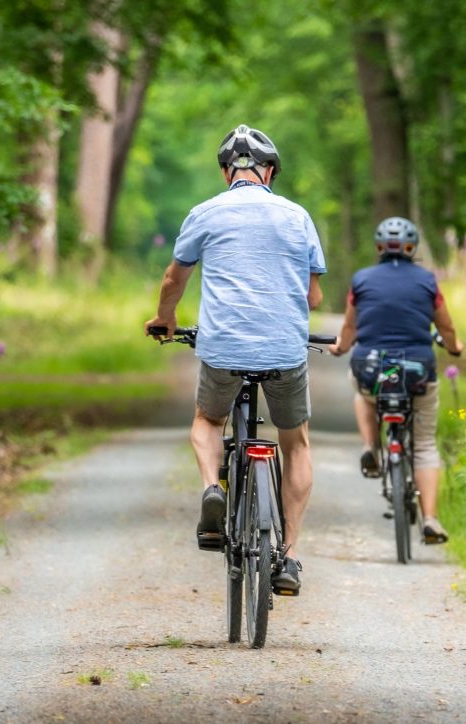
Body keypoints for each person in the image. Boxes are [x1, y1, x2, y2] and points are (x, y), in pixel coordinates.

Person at [145, 124, 326, 594]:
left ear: (227, 172)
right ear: (270, 172)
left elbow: (172, 280)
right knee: (297, 443)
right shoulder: (297, 216)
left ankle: (212, 489)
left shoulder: (205, 212)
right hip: (285, 349)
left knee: (208, 420)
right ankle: (289, 557)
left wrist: (166, 319)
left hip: (223, 347)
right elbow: (314, 294)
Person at [328, 216, 463, 544]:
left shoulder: (361, 280)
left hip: (371, 368)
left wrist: (341, 347)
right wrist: (456, 347)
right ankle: (430, 519)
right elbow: (445, 327)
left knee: (361, 391)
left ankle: (370, 446)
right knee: (426, 444)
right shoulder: (428, 281)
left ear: (378, 247)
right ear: (411, 247)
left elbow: (349, 328)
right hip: (417, 371)